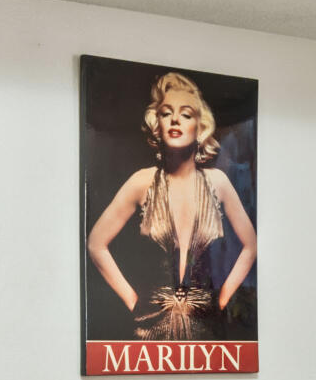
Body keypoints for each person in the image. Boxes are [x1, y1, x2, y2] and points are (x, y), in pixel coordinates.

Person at [86, 71, 256, 341]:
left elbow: (251, 245)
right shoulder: (142, 182)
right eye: (166, 113)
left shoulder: (218, 182)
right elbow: (96, 243)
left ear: (200, 127)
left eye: (186, 114)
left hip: (207, 333)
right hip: (149, 333)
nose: (175, 119)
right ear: (158, 124)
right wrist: (133, 302)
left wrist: (222, 301)